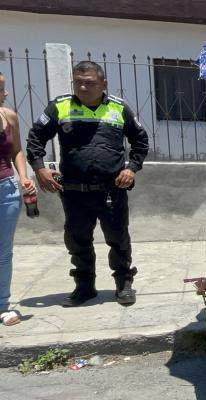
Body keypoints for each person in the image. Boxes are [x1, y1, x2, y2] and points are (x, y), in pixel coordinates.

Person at [27, 61, 149, 307]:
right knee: (77, 239)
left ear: (103, 83)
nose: (83, 87)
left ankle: (124, 283)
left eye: (90, 83)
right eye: (78, 82)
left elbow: (140, 141)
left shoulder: (119, 107)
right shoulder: (60, 106)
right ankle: (84, 286)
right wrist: (39, 169)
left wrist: (131, 168)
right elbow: (35, 138)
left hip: (111, 191)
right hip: (73, 191)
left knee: (118, 238)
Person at [0, 71, 35, 326]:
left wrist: (24, 177)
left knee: (3, 253)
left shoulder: (8, 116)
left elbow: (17, 151)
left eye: (4, 87)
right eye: (1, 88)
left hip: (6, 190)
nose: (6, 92)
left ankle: (2, 305)